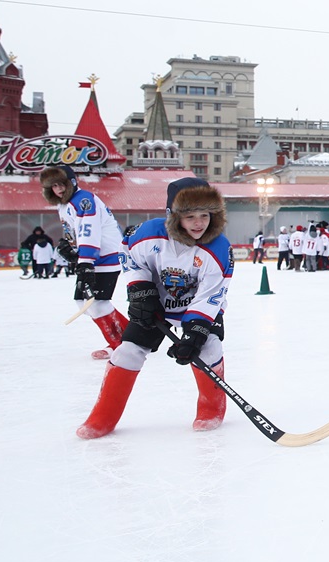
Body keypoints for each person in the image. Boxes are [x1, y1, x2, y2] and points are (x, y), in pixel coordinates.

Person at [76, 177, 234, 439]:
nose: (199, 223)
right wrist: (141, 291)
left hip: (196, 307)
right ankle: (102, 417)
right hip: (157, 306)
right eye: (190, 216)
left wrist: (194, 332)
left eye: (205, 215)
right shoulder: (147, 234)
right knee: (127, 351)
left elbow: (211, 295)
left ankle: (211, 409)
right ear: (173, 216)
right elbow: (129, 256)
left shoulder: (218, 248)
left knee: (208, 347)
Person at [40, 164, 129, 359]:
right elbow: (77, 232)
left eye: (61, 184)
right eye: (53, 186)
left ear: (70, 182)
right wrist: (72, 248)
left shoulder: (83, 200)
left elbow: (90, 231)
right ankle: (131, 338)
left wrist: (85, 261)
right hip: (94, 256)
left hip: (106, 255)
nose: (59, 189)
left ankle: (121, 344)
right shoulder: (65, 204)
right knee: (83, 301)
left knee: (96, 302)